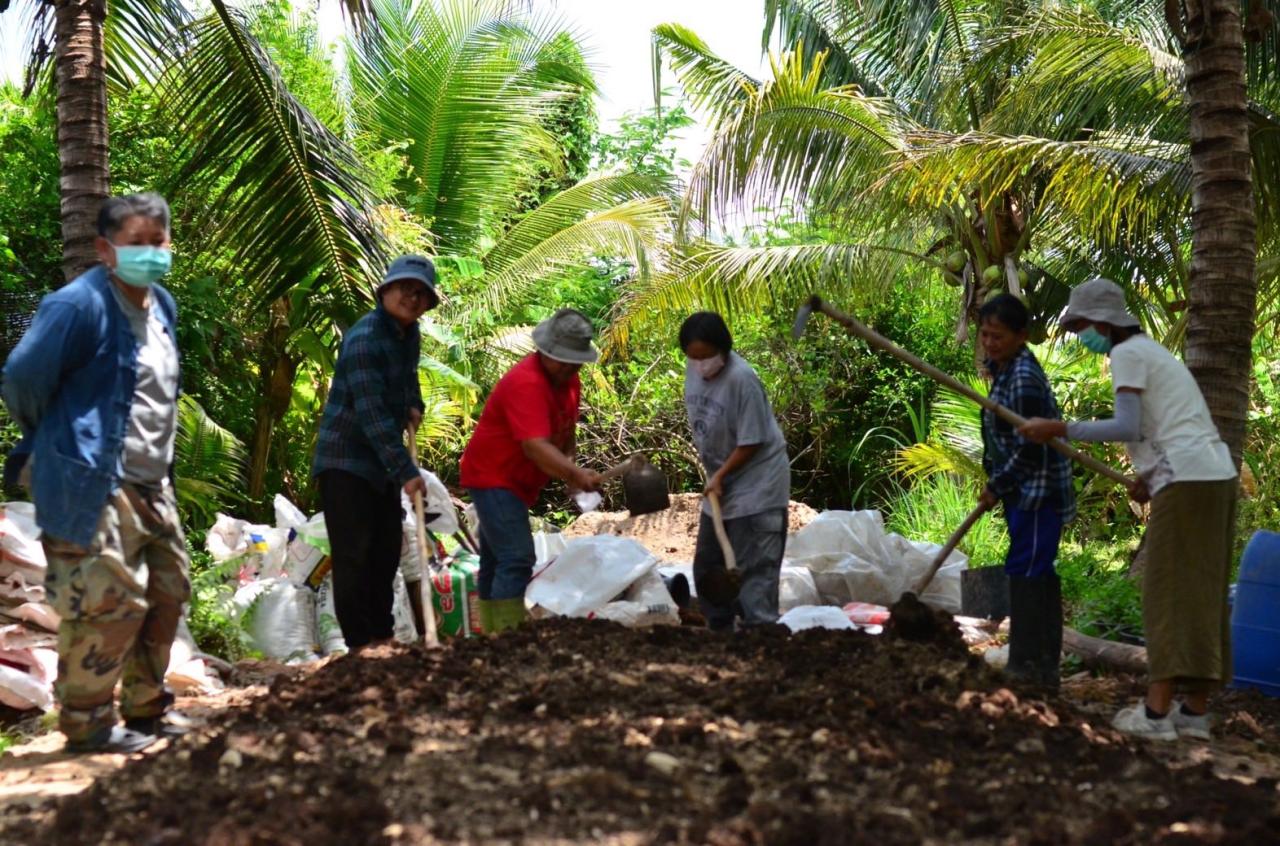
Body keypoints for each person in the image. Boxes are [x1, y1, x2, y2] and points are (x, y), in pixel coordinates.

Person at [2, 193, 189, 754]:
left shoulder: (164, 307)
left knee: (168, 592)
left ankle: (146, 709)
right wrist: (59, 438)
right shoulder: (76, 306)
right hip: (88, 478)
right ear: (106, 250)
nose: (151, 255)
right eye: (137, 244)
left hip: (151, 481)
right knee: (105, 603)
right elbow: (21, 379)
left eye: (159, 243)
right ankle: (86, 725)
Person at [1021, 278, 1237, 740]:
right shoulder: (1155, 353)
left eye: (1081, 326)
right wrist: (1148, 478)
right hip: (1211, 476)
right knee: (1201, 593)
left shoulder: (1126, 354)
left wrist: (1058, 427)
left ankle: (1157, 716)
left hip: (1188, 481)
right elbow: (1172, 427)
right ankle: (1194, 714)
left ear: (1103, 322)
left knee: (1167, 592)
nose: (1082, 336)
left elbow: (1127, 425)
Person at [313, 255, 438, 651]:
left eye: (421, 294)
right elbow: (372, 414)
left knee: (386, 552)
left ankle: (383, 636)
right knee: (355, 555)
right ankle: (360, 645)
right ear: (385, 291)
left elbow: (407, 379)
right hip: (346, 462)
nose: (412, 299)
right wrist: (405, 470)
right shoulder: (365, 338)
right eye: (405, 289)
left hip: (379, 465)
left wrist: (414, 405)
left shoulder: (409, 333)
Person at [459, 308, 602, 633]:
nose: (569, 366)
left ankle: (492, 635)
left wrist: (571, 469)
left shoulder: (568, 380)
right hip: (493, 477)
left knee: (496, 559)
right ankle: (508, 636)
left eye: (574, 360)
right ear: (544, 351)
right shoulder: (526, 382)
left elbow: (566, 430)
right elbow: (534, 446)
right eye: (562, 359)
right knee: (517, 557)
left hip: (518, 482)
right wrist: (575, 474)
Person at [977, 294, 1075, 690]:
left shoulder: (1023, 379)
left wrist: (996, 486)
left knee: (1029, 571)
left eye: (997, 336)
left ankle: (1030, 669)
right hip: (1021, 492)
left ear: (1022, 336)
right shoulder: (1003, 368)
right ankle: (1037, 666)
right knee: (1032, 569)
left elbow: (1031, 449)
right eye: (984, 333)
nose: (988, 342)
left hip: (1038, 492)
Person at [680, 312, 790, 630]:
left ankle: (761, 634)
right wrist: (717, 476)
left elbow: (752, 441)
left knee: (755, 569)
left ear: (724, 349)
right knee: (708, 566)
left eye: (707, 356)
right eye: (693, 356)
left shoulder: (743, 380)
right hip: (720, 481)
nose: (701, 364)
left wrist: (720, 475)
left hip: (758, 484)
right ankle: (721, 633)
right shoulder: (693, 367)